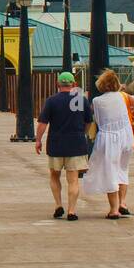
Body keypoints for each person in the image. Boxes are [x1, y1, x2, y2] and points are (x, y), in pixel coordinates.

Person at [81, 69, 134, 219]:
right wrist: (131, 110)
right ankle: (122, 203)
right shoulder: (124, 96)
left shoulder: (97, 101)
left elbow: (96, 119)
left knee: (110, 171)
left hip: (108, 137)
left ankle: (114, 209)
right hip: (126, 136)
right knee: (122, 169)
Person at [35, 72, 91, 220]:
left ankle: (58, 205)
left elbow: (42, 123)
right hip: (76, 144)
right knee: (73, 180)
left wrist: (38, 140)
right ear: (73, 84)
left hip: (56, 144)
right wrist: (82, 134)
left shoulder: (51, 101)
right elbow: (88, 122)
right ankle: (71, 211)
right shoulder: (81, 100)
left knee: (54, 176)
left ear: (58, 84)